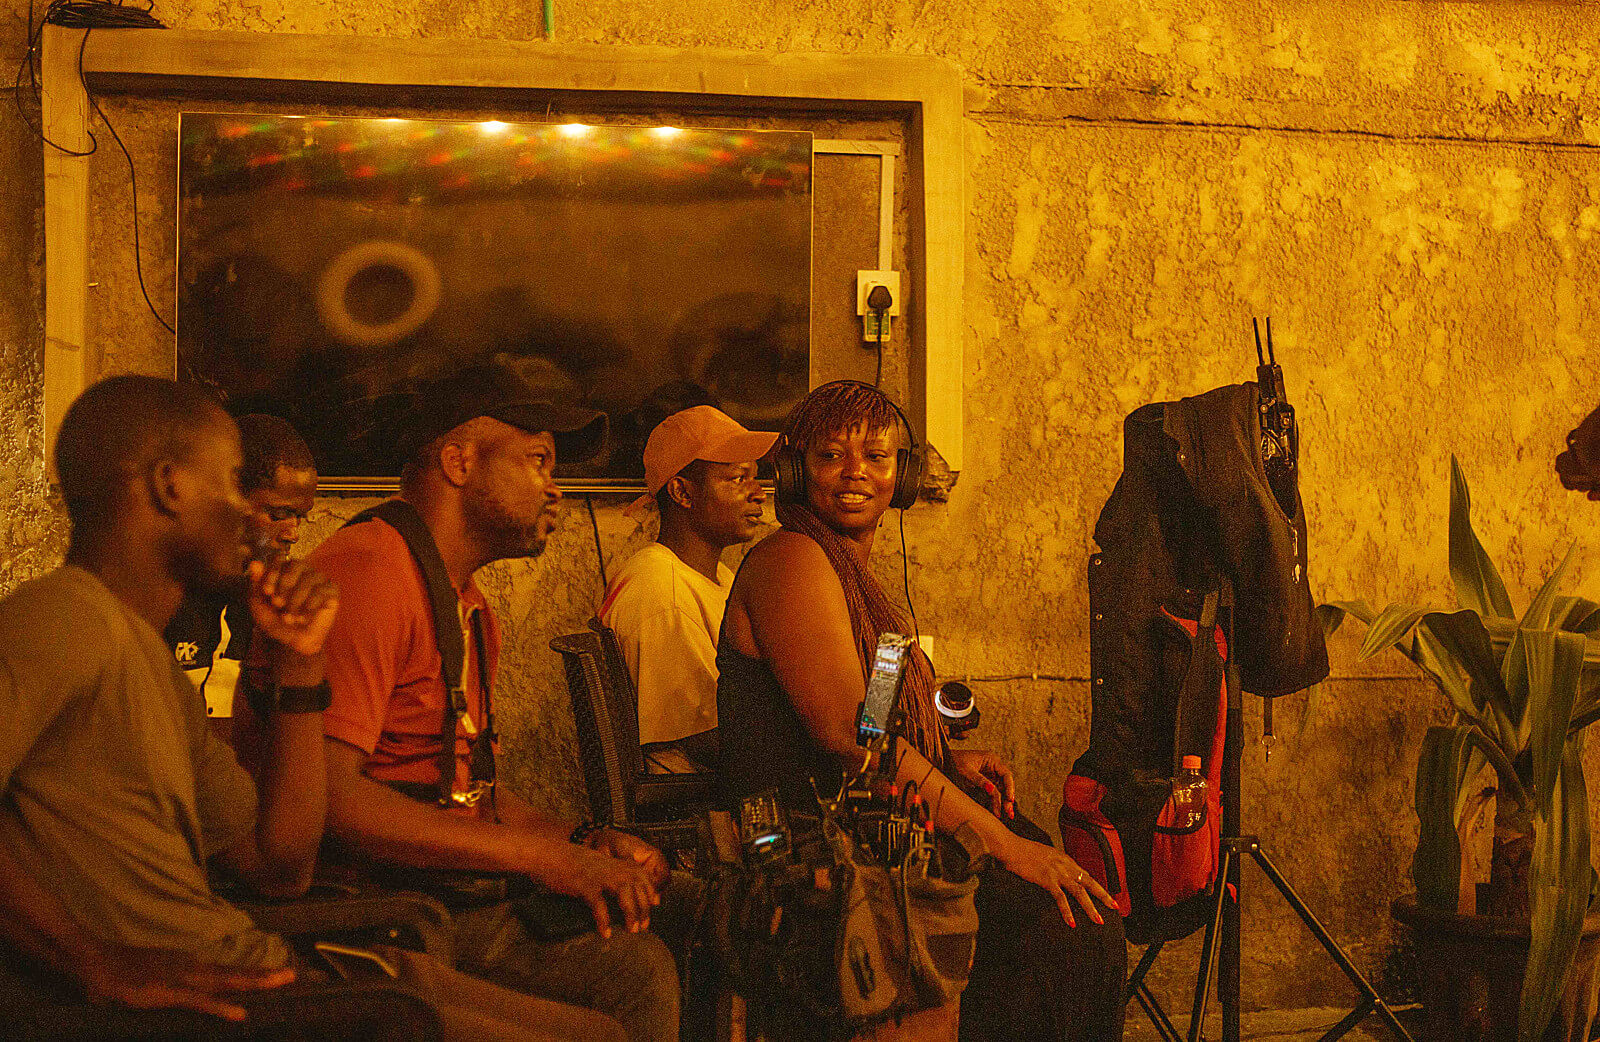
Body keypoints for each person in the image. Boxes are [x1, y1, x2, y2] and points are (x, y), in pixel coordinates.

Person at [0, 374, 627, 1042]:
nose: (257, 517)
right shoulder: (61, 617)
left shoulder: (148, 662)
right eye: (236, 482)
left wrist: (302, 668)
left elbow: (279, 868)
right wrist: (93, 961)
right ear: (169, 486)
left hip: (266, 965)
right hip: (222, 1008)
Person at [717, 381, 1127, 1041]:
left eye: (877, 457)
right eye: (830, 457)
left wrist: (946, 758)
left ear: (903, 476)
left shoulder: (854, 577)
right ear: (795, 471)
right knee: (1059, 921)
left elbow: (870, 718)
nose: (856, 473)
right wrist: (1007, 848)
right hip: (803, 839)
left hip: (862, 816)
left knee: (1066, 902)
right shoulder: (790, 561)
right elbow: (854, 742)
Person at [301, 363, 680, 1042]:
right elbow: (330, 799)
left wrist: (580, 842)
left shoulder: (470, 606)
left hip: (442, 896)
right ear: (458, 461)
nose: (554, 487)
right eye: (536, 461)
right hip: (371, 911)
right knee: (625, 986)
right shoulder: (369, 571)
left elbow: (470, 791)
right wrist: (538, 860)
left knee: (649, 951)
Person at [602, 406, 776, 774]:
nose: (759, 494)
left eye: (755, 478)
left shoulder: (720, 576)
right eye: (737, 478)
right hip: (698, 802)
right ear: (681, 491)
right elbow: (705, 738)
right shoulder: (662, 590)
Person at [164, 413, 317, 734]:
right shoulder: (161, 590)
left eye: (300, 517)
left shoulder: (271, 603)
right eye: (278, 514)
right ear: (230, 496)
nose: (293, 534)